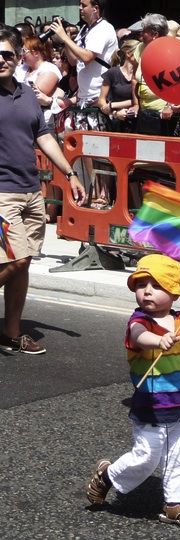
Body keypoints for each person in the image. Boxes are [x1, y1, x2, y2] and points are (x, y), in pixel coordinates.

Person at [85, 254, 180, 529]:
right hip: (150, 406)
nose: (146, 291)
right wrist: (158, 340)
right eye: (141, 284)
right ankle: (109, 475)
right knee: (147, 456)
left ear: (174, 292)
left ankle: (175, 504)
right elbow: (138, 337)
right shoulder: (139, 321)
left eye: (156, 285)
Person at [0, 26, 86, 354]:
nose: (1, 60)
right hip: (1, 193)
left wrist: (70, 174)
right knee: (18, 260)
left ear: (19, 54)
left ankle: (10, 332)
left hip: (30, 192)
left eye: (7, 53)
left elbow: (44, 136)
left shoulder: (26, 94)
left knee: (24, 262)